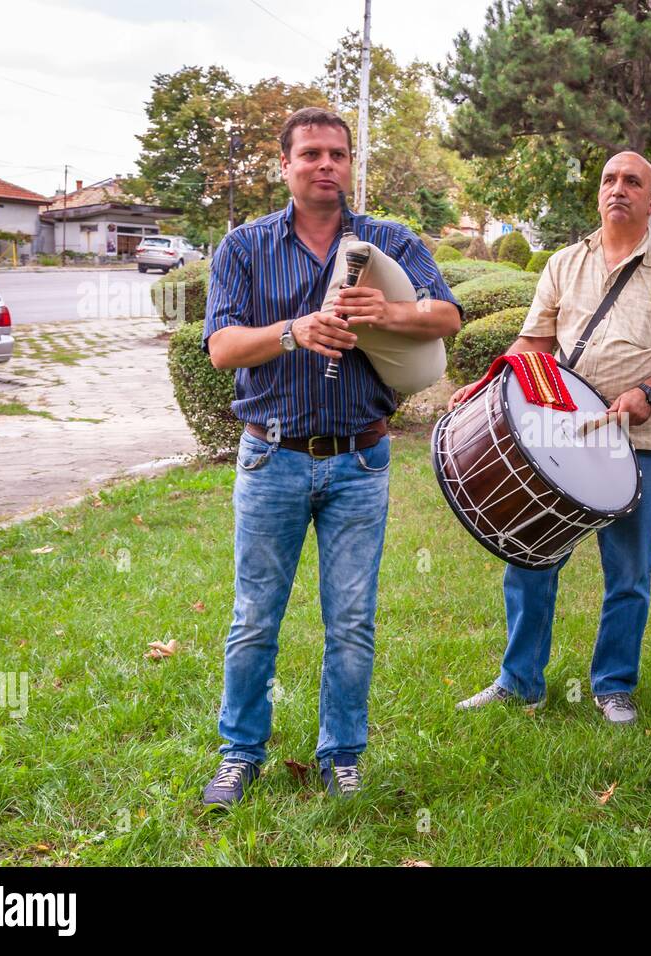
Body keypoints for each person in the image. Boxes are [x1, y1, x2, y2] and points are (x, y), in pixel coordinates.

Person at [199, 107, 461, 807]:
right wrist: (294, 331)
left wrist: (387, 314)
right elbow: (222, 347)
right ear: (284, 165)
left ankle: (341, 755)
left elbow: (446, 315)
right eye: (310, 153)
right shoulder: (244, 247)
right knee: (255, 616)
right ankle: (240, 753)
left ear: (350, 164)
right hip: (270, 459)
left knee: (351, 618)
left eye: (337, 154)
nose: (325, 165)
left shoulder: (388, 239)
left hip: (361, 462)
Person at [449, 151, 651, 725]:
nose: (617, 189)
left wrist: (647, 394)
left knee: (628, 573)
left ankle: (614, 685)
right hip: (559, 434)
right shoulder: (564, 263)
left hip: (638, 444)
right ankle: (519, 681)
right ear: (597, 194)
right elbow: (535, 344)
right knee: (530, 557)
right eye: (608, 180)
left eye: (633, 182)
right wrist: (487, 387)